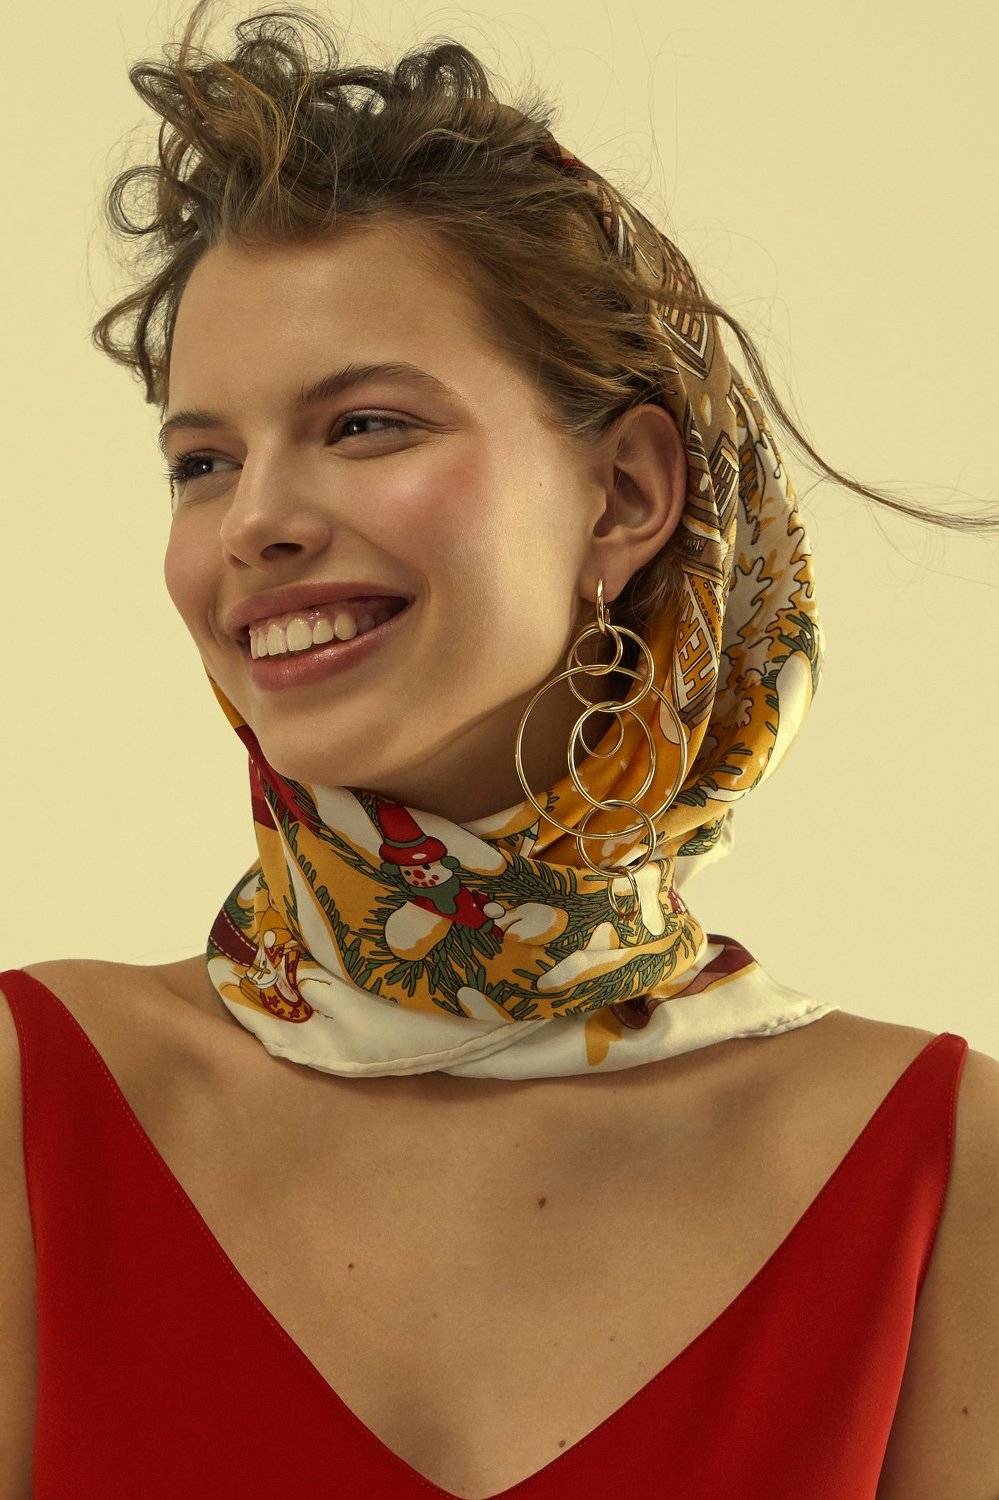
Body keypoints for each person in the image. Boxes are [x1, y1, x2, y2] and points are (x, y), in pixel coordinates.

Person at [2, 3, 997, 1496]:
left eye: (365, 426)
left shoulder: (945, 1171)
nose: (253, 521)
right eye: (203, 460)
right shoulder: (36, 1109)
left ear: (626, 495)